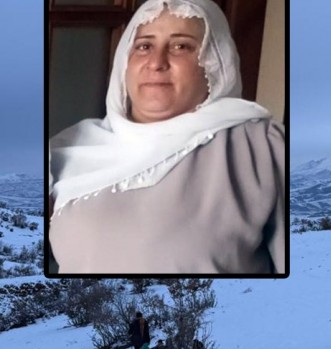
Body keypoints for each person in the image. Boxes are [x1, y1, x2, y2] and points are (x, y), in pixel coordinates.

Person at [48, 0, 285, 275]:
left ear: (214, 62)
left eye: (181, 46)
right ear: (125, 59)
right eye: (144, 46)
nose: (156, 62)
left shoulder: (263, 147)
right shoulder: (67, 149)